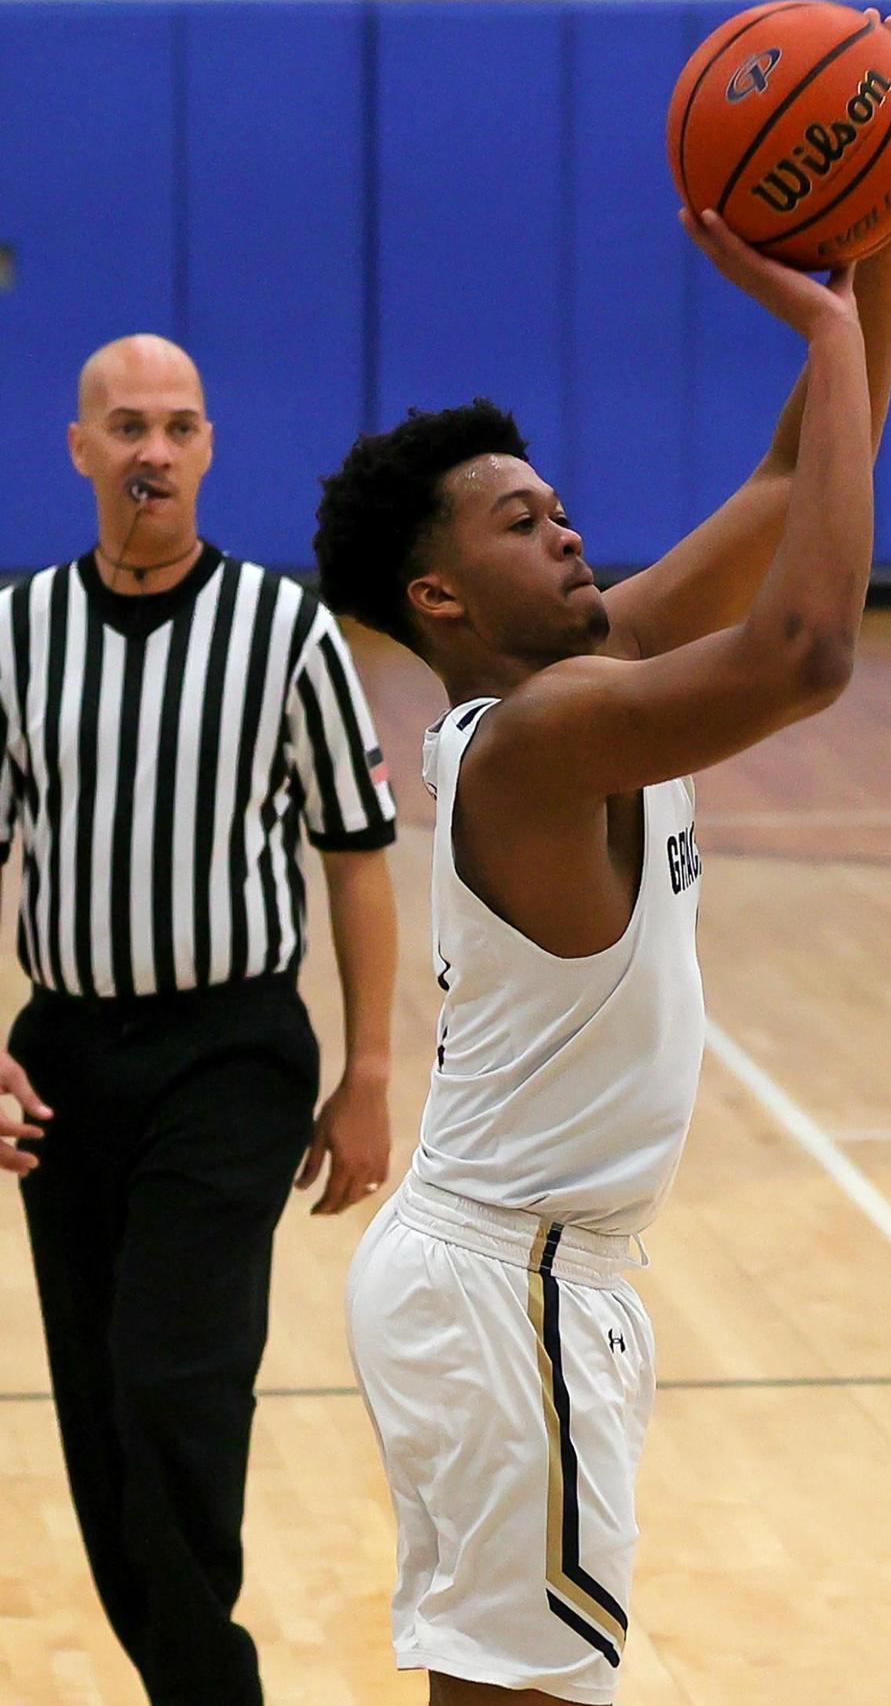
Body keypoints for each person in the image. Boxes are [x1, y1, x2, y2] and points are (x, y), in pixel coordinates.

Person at [316, 20, 891, 1706]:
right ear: (438, 602)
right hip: (509, 1277)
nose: (568, 526)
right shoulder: (532, 745)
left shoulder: (575, 685)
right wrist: (813, 314)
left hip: (510, 1276)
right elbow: (809, 650)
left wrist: (878, 231)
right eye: (520, 523)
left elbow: (806, 470)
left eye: (557, 501)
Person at [0, 333, 399, 1705]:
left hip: (229, 1055)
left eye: (176, 427)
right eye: (124, 427)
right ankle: (191, 1681)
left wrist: (371, 1072)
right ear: (79, 449)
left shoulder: (286, 635)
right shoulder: (13, 632)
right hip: (62, 1061)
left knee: (177, 1377)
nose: (150, 452)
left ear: (210, 447)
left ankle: (209, 1691)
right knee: (102, 1419)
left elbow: (357, 852)